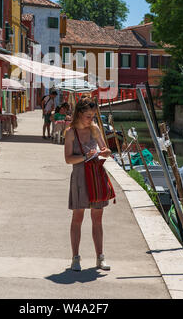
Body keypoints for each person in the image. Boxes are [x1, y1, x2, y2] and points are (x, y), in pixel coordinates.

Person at [64, 95, 112, 272]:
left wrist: (104, 152)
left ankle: (100, 257)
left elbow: (106, 150)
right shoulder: (70, 133)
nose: (91, 119)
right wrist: (85, 157)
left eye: (93, 116)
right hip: (79, 178)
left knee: (97, 219)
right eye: (88, 116)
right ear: (79, 114)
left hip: (96, 177)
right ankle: (75, 258)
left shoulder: (95, 129)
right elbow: (68, 159)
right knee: (78, 218)